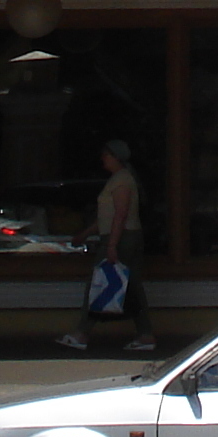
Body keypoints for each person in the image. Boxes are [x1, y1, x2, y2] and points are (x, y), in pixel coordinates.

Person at [55, 139, 153, 355]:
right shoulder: (119, 179)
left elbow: (120, 214)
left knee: (100, 283)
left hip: (122, 238)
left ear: (116, 157)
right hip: (120, 237)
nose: (103, 159)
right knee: (131, 286)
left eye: (106, 155)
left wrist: (112, 245)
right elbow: (107, 217)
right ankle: (145, 334)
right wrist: (84, 234)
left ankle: (82, 333)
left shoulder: (122, 181)